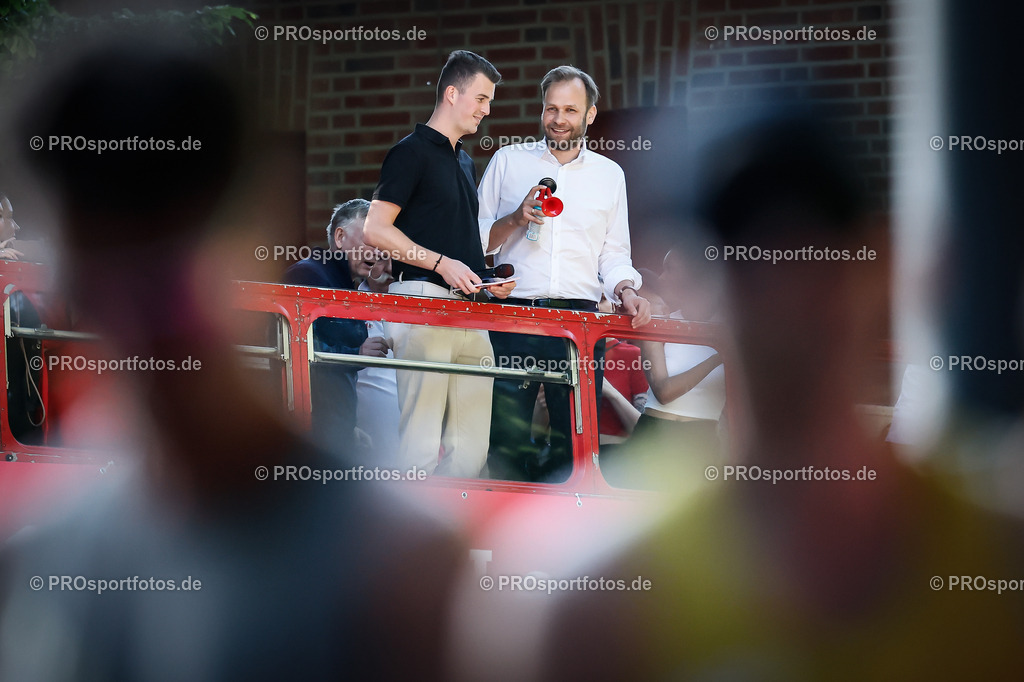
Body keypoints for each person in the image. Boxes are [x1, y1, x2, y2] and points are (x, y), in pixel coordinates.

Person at [1, 41, 462, 681]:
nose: (138, 287)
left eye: (165, 232)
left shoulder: (399, 564)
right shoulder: (400, 553)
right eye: (104, 240)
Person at [541, 108, 1024, 681]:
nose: (788, 285)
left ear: (887, 264)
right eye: (748, 248)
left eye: (819, 242)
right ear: (688, 284)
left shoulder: (1001, 550)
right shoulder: (600, 604)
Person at [477, 65, 651, 482]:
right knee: (505, 436)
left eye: (570, 110)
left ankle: (559, 539)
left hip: (580, 320)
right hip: (513, 316)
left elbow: (613, 254)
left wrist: (626, 288)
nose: (558, 119)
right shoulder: (507, 160)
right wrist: (516, 218)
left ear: (590, 114)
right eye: (551, 108)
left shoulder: (610, 176)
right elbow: (476, 243)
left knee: (573, 441)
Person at [363, 50, 515, 479]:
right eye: (481, 99)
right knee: (421, 445)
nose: (487, 110)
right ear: (452, 93)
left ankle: (449, 541)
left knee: (472, 451)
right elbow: (376, 230)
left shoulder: (464, 160)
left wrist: (486, 281)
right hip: (421, 301)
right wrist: (442, 264)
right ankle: (408, 544)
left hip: (471, 308)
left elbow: (460, 244)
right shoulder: (408, 152)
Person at [284, 199, 389, 449]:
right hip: (309, 432)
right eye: (368, 240)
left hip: (332, 429)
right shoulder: (307, 274)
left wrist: (348, 427)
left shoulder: (338, 282)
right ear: (340, 237)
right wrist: (357, 353)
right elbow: (294, 349)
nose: (375, 252)